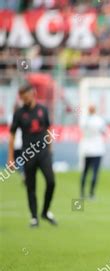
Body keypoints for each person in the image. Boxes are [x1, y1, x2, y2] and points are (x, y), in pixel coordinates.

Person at [8, 84, 58, 228]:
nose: (24, 99)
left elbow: (48, 130)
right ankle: (34, 217)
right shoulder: (19, 113)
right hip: (28, 153)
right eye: (22, 97)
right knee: (31, 186)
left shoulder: (43, 110)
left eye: (26, 96)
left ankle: (45, 211)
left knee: (51, 181)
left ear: (33, 93)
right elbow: (12, 135)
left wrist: (50, 149)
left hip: (43, 152)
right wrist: (11, 158)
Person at [80, 105, 107, 199]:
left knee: (85, 172)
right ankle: (91, 193)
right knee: (95, 172)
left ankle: (82, 193)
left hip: (86, 149)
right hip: (97, 149)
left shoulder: (84, 120)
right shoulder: (99, 120)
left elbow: (82, 130)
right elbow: (104, 132)